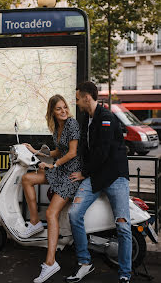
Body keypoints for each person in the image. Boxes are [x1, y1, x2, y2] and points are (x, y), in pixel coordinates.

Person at [66, 81, 132, 283]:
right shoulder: (87, 118)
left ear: (87, 98)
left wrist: (84, 173)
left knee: (122, 226)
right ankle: (85, 263)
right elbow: (86, 150)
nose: (76, 103)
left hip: (114, 176)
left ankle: (125, 273)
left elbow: (103, 153)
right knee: (74, 213)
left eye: (78, 99)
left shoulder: (106, 118)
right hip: (95, 176)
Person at [20, 94, 82, 283]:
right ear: (52, 112)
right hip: (61, 170)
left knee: (51, 214)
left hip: (71, 175)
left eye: (64, 107)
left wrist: (52, 166)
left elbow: (72, 153)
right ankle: (34, 221)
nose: (63, 111)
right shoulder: (57, 127)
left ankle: (50, 263)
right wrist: (36, 152)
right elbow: (58, 151)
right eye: (58, 109)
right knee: (27, 178)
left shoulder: (71, 124)